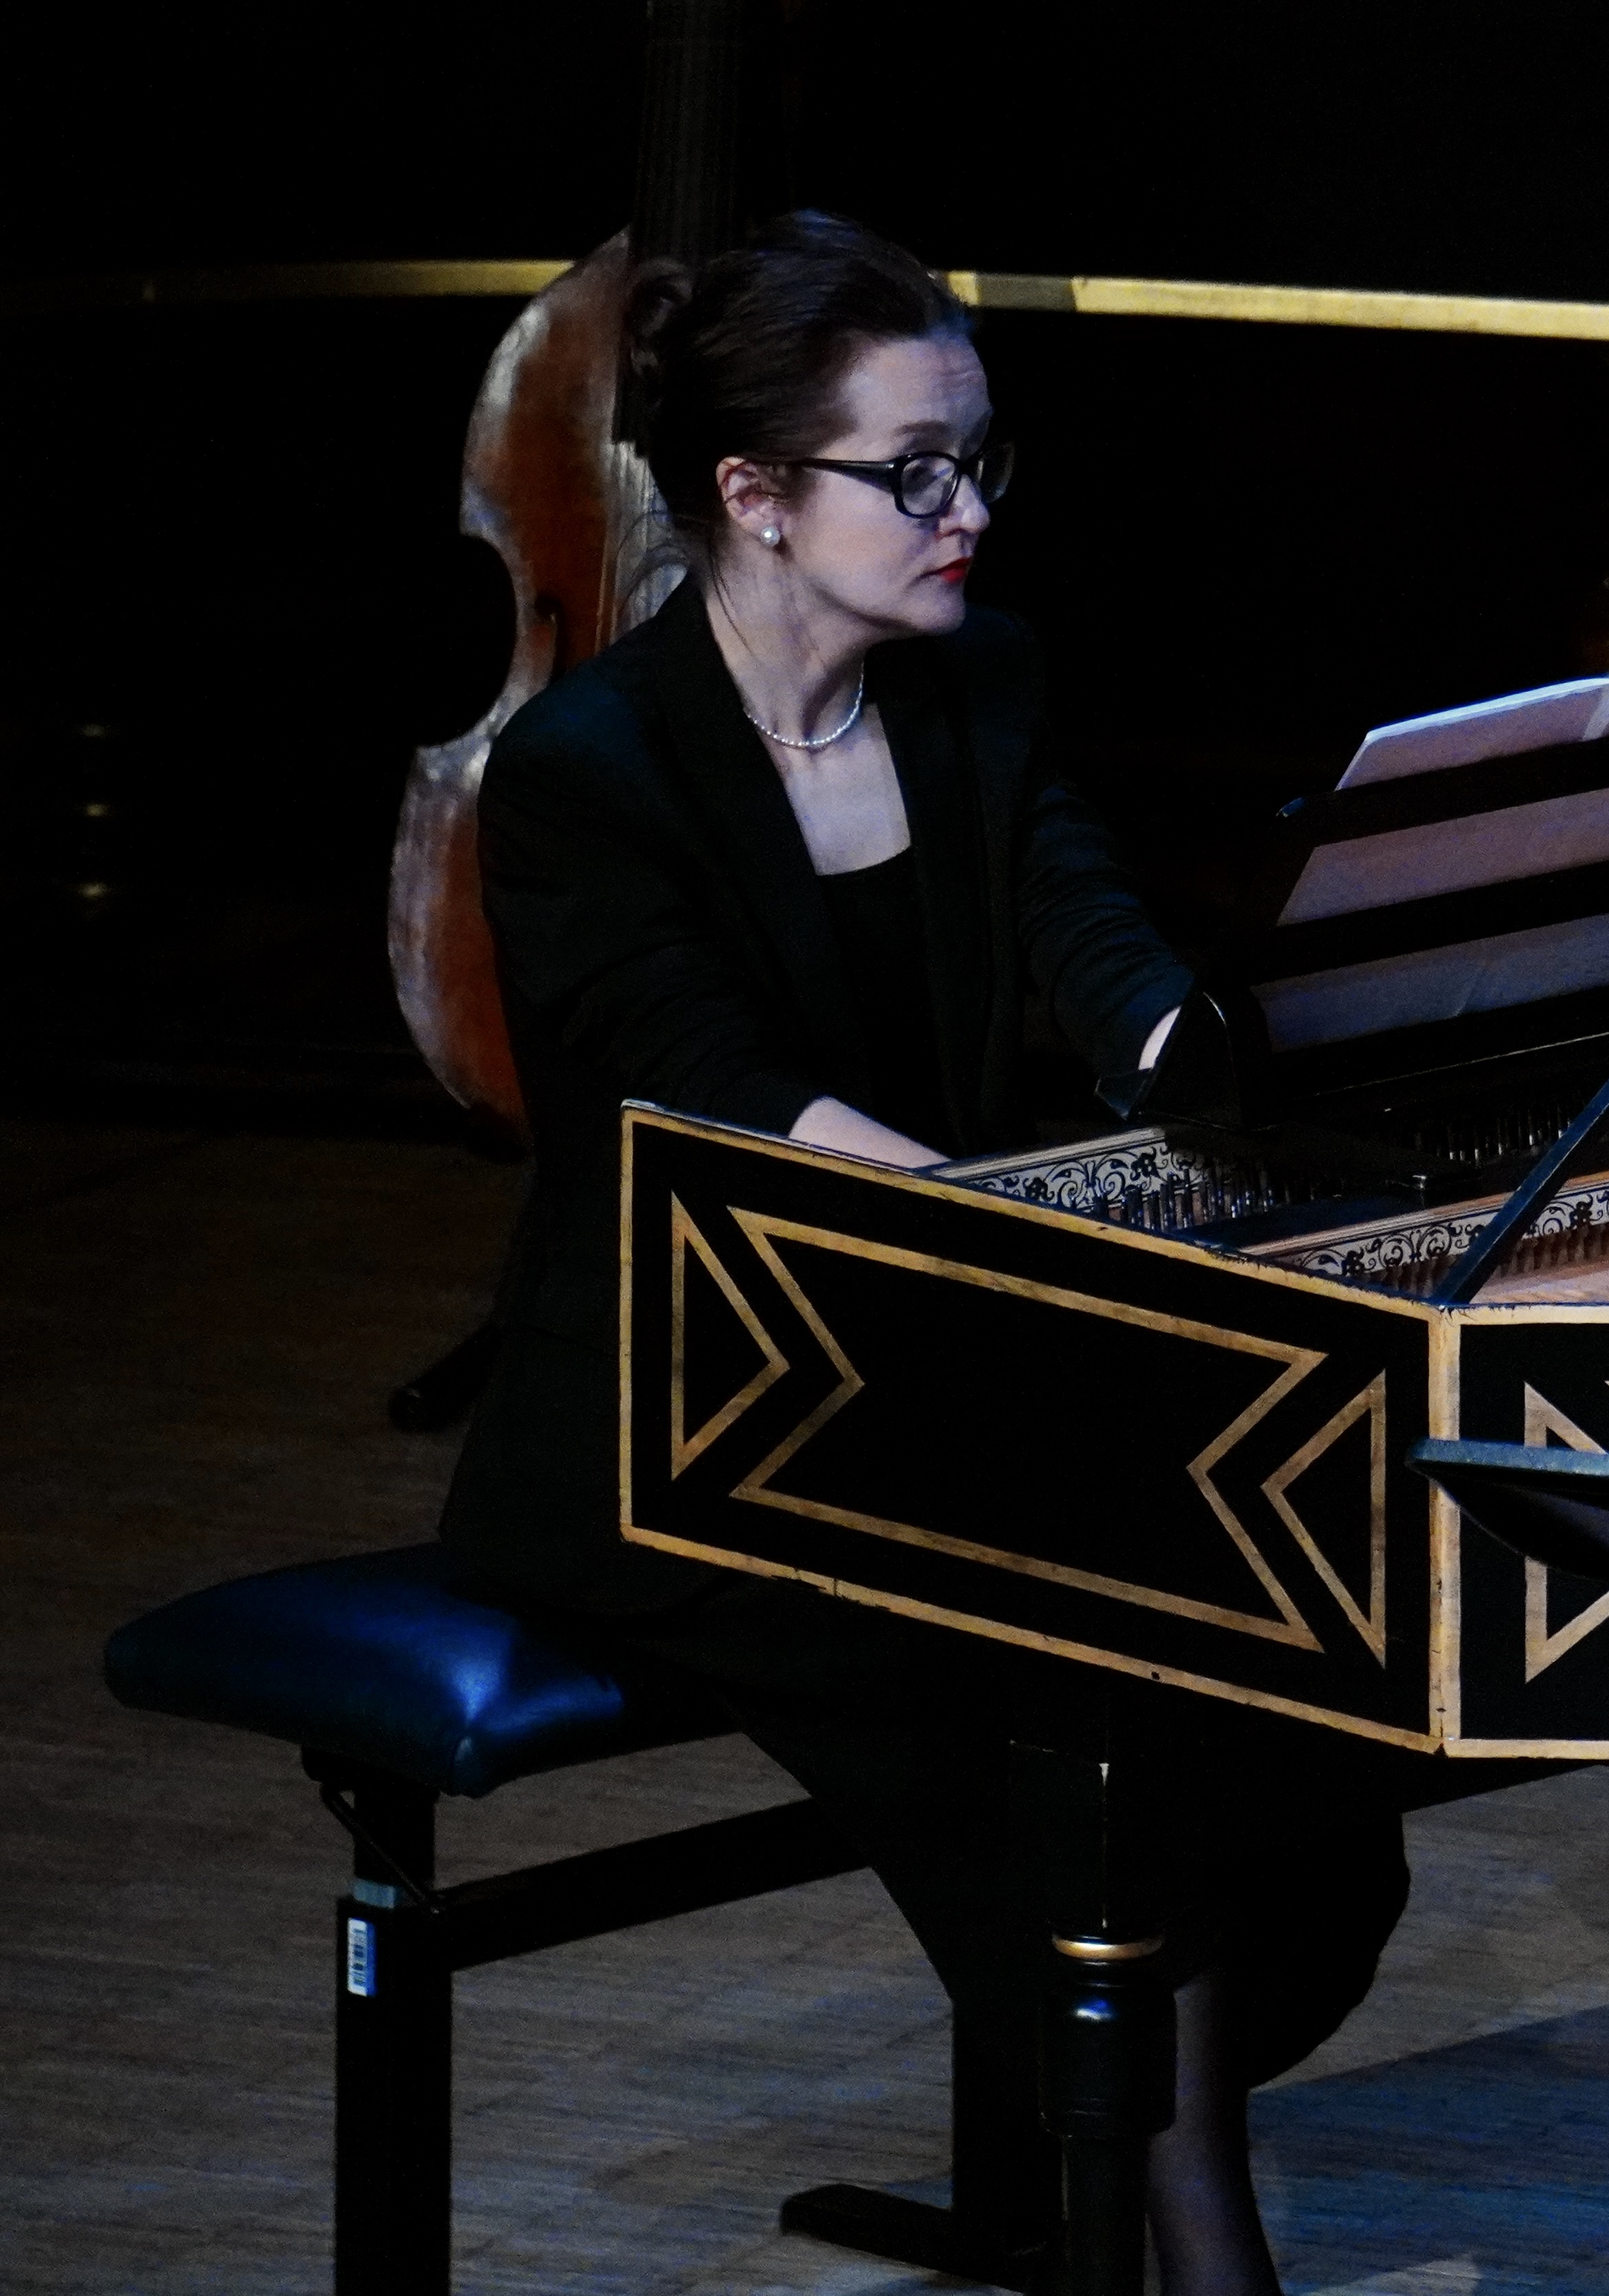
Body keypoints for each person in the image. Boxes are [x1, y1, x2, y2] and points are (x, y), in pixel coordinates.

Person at [439, 211, 1398, 2295]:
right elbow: (723, 1098)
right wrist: (1009, 1241)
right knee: (1088, 1679)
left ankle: (1123, 2157)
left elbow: (1090, 930)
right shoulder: (587, 773)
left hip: (930, 1363)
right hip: (680, 1417)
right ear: (754, 500)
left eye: (983, 462)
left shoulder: (980, 688)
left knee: (1248, 1628)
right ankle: (1186, 2234)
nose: (965, 515)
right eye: (914, 474)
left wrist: (1192, 1054)